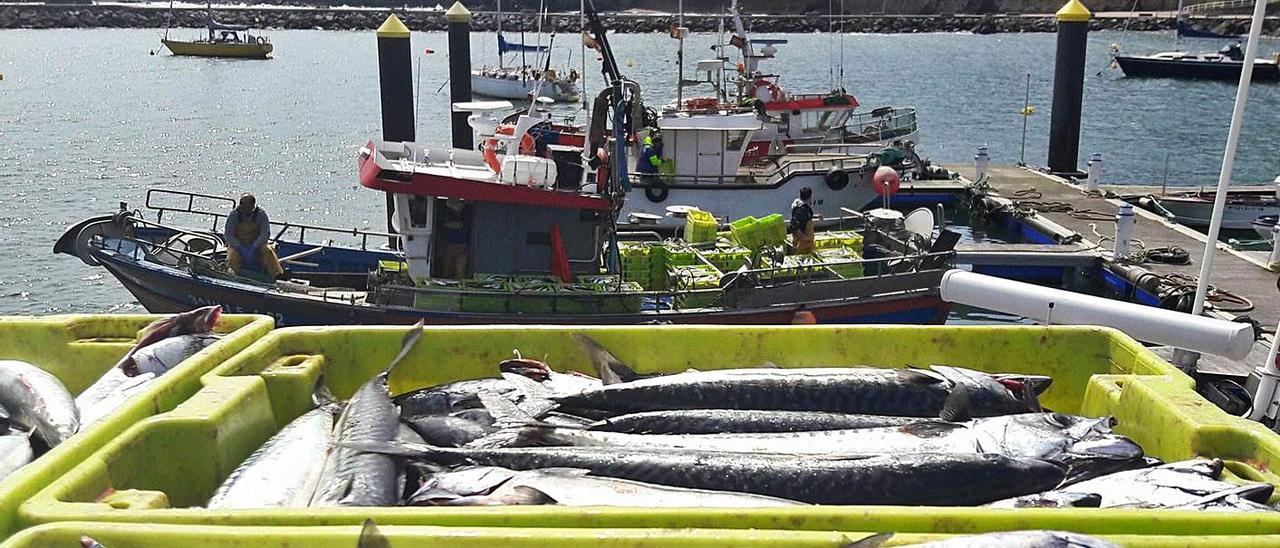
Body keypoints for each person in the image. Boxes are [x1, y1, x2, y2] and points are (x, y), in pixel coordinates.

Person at [224, 193, 283, 279]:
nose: (243, 207)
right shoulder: (234, 215)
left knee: (269, 251)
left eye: (246, 205)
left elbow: (265, 233)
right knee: (233, 255)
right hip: (238, 245)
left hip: (257, 244)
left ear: (252, 205)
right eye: (241, 204)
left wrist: (254, 246)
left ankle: (277, 274)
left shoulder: (261, 214)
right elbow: (229, 235)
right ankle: (233, 275)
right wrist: (240, 247)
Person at [790, 186, 816, 254]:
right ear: (810, 196)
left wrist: (816, 216)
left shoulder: (798, 205)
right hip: (803, 239)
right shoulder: (802, 210)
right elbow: (795, 225)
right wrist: (804, 237)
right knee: (800, 255)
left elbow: (804, 218)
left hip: (804, 238)